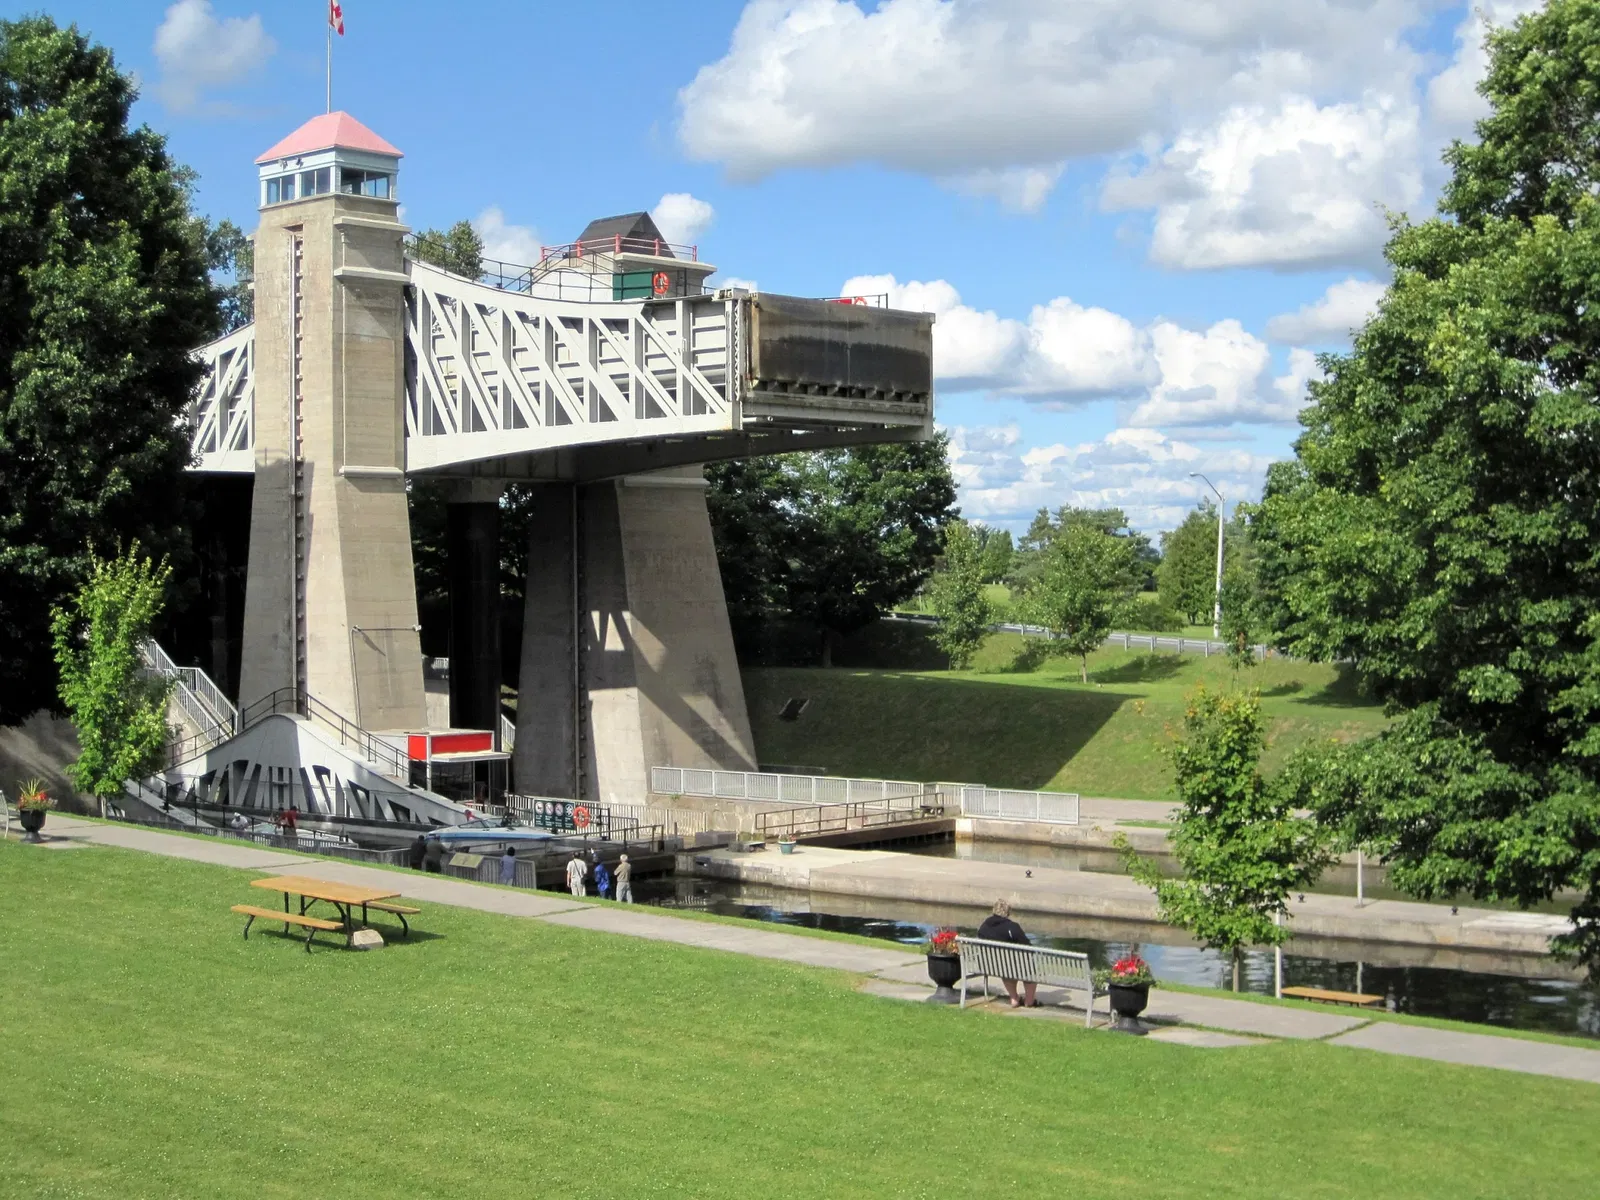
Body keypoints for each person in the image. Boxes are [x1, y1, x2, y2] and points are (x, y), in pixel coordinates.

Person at [977, 899, 1037, 1008]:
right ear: (1008, 912)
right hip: (1009, 966)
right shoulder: (1012, 927)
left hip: (990, 965)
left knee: (1006, 967)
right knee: (1029, 968)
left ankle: (1014, 998)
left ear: (994, 910)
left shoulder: (984, 926)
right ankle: (1029, 1001)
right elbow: (1028, 946)